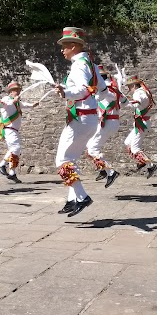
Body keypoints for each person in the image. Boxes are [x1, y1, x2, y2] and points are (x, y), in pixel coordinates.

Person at [54, 27, 108, 217]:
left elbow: (83, 90)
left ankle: (82, 197)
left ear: (74, 46)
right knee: (71, 158)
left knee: (62, 160)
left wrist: (66, 92)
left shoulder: (78, 65)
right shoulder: (91, 64)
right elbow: (102, 89)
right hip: (90, 117)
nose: (62, 50)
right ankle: (72, 199)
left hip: (81, 117)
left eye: (65, 46)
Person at [86, 65, 128, 188]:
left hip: (106, 122)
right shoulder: (114, 89)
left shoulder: (106, 90)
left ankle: (111, 172)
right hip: (109, 122)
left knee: (92, 150)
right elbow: (124, 102)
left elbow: (97, 98)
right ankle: (103, 170)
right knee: (90, 146)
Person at [0, 81, 39, 183]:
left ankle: (12, 172)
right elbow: (0, 105)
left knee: (15, 150)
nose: (18, 92)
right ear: (11, 92)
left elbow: (25, 105)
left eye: (18, 90)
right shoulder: (6, 99)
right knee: (15, 148)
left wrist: (33, 105)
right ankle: (2, 164)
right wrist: (13, 101)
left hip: (14, 130)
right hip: (9, 129)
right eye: (16, 90)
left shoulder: (18, 102)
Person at [124, 75, 157, 178]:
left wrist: (124, 102)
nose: (129, 89)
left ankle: (150, 165)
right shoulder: (143, 92)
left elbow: (136, 104)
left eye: (129, 87)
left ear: (134, 85)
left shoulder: (138, 93)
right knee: (127, 143)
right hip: (141, 122)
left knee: (134, 148)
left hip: (141, 123)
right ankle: (142, 162)